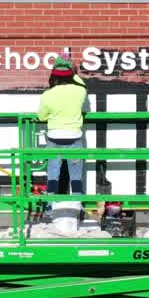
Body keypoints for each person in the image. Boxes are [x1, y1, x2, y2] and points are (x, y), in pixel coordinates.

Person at [37, 56, 89, 196]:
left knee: (53, 174)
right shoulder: (80, 91)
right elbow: (81, 83)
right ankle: (78, 203)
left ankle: (50, 206)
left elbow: (41, 117)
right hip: (74, 136)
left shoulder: (47, 95)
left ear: (54, 74)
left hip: (54, 138)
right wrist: (74, 72)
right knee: (76, 175)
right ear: (71, 74)